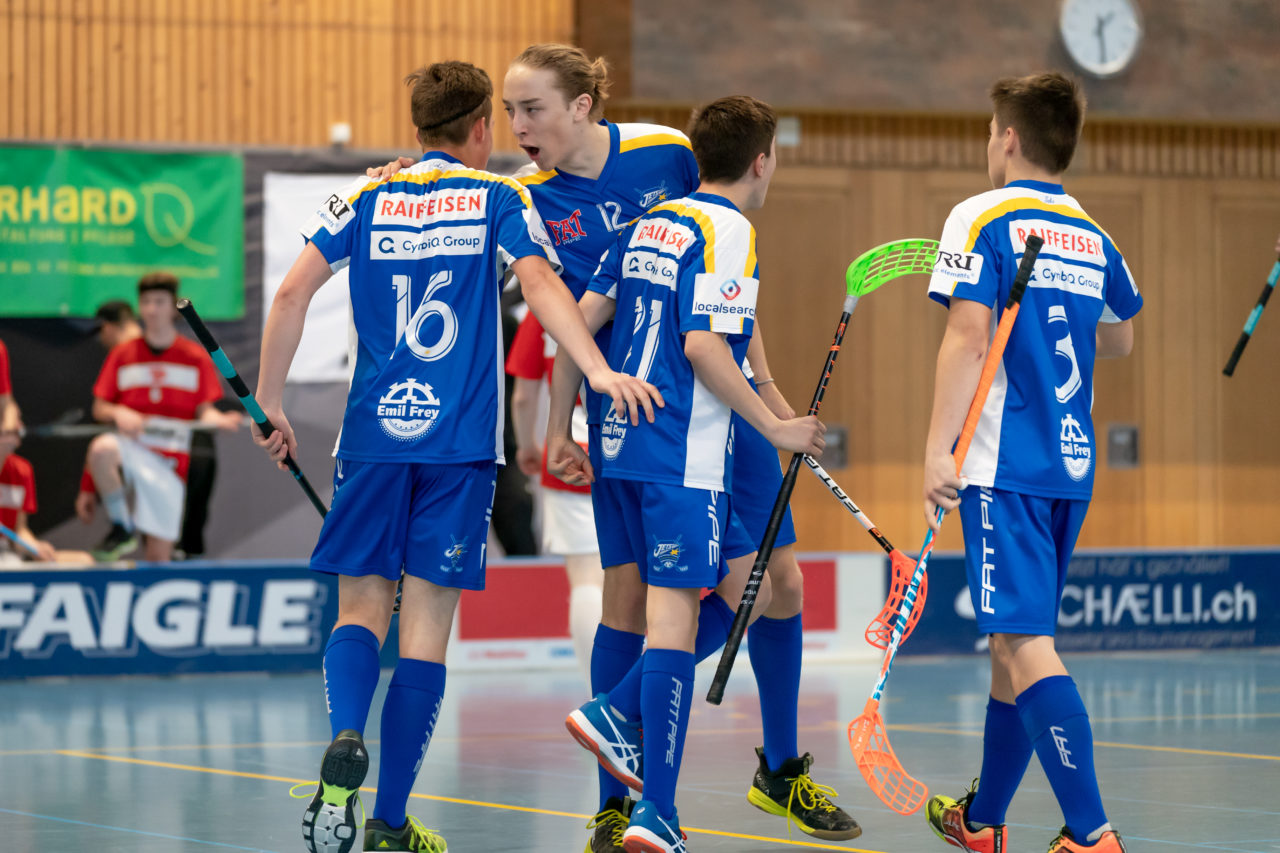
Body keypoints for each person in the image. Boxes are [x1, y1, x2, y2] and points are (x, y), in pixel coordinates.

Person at [253, 60, 660, 853]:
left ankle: (345, 737)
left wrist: (269, 401)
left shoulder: (366, 195)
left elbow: (292, 294)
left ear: (416, 129)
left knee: (359, 610)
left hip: (372, 440)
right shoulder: (500, 197)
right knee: (426, 634)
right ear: (480, 128)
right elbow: (542, 287)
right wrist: (597, 369)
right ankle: (389, 820)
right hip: (459, 446)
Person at [556, 95, 828, 853]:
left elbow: (579, 319)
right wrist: (774, 426)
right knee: (678, 615)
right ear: (763, 162)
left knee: (755, 589)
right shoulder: (731, 230)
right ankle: (637, 765)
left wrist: (557, 427)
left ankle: (635, 754)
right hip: (683, 449)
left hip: (620, 441)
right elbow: (705, 345)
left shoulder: (650, 221)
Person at [921, 72, 1141, 853]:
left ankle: (1091, 831)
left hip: (1001, 463)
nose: (990, 142)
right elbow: (1120, 335)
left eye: (991, 131)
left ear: (1008, 138)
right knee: (1008, 644)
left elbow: (968, 336)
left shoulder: (981, 215)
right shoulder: (1093, 233)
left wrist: (937, 449)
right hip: (1068, 466)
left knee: (1025, 644)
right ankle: (983, 821)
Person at [75, 274, 242, 562]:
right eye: (146, 302)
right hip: (132, 448)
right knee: (101, 448)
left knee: (158, 557)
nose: (152, 309)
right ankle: (121, 527)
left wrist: (220, 419)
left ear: (173, 307)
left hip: (171, 461)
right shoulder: (122, 354)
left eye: (160, 302)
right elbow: (100, 409)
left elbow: (205, 411)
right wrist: (118, 411)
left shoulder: (195, 356)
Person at [506, 310, 602, 683]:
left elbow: (523, 396)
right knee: (632, 579)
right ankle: (631, 690)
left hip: (566, 460)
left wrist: (527, 446)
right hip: (628, 456)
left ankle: (597, 690)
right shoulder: (628, 294)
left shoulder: (545, 309)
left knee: (586, 579)